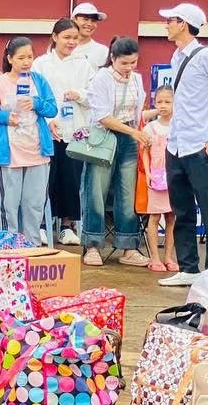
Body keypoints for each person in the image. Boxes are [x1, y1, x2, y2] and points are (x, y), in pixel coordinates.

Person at [156, 3, 208, 287]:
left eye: (171, 20)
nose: (166, 24)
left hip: (199, 146)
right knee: (182, 210)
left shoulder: (207, 57)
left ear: (184, 23)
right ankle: (189, 268)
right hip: (176, 144)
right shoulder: (176, 57)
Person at [79, 37, 150, 267]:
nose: (129, 68)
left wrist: (138, 131)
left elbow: (138, 111)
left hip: (129, 138)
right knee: (96, 192)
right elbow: (103, 116)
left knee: (127, 193)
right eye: (124, 63)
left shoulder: (137, 79)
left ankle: (128, 247)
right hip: (103, 137)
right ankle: (92, 246)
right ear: (112, 59)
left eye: (133, 63)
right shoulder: (101, 79)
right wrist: (132, 131)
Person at [0, 37, 57, 239]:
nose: (26, 62)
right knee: (9, 205)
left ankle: (32, 245)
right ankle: (9, 243)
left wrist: (36, 103)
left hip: (37, 152)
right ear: (10, 58)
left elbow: (52, 109)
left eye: (30, 57)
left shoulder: (38, 81)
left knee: (34, 203)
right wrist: (6, 118)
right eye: (21, 57)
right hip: (10, 153)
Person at [32, 17, 94, 247]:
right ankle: (39, 224)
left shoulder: (83, 64)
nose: (71, 42)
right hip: (48, 128)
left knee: (70, 178)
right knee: (45, 179)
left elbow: (94, 95)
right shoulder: (41, 64)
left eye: (75, 38)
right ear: (54, 37)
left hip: (74, 129)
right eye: (67, 37)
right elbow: (35, 96)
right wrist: (48, 121)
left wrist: (79, 94)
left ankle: (67, 226)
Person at [141, 85, 178, 273]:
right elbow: (144, 152)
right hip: (156, 178)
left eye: (167, 102)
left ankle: (169, 257)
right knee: (154, 217)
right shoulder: (150, 128)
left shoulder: (179, 127)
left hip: (174, 178)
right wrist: (148, 173)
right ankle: (155, 257)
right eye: (159, 102)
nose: (163, 106)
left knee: (172, 217)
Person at [71, 2, 108, 71]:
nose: (89, 24)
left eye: (93, 21)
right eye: (85, 19)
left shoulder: (103, 52)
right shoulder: (63, 47)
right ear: (74, 20)